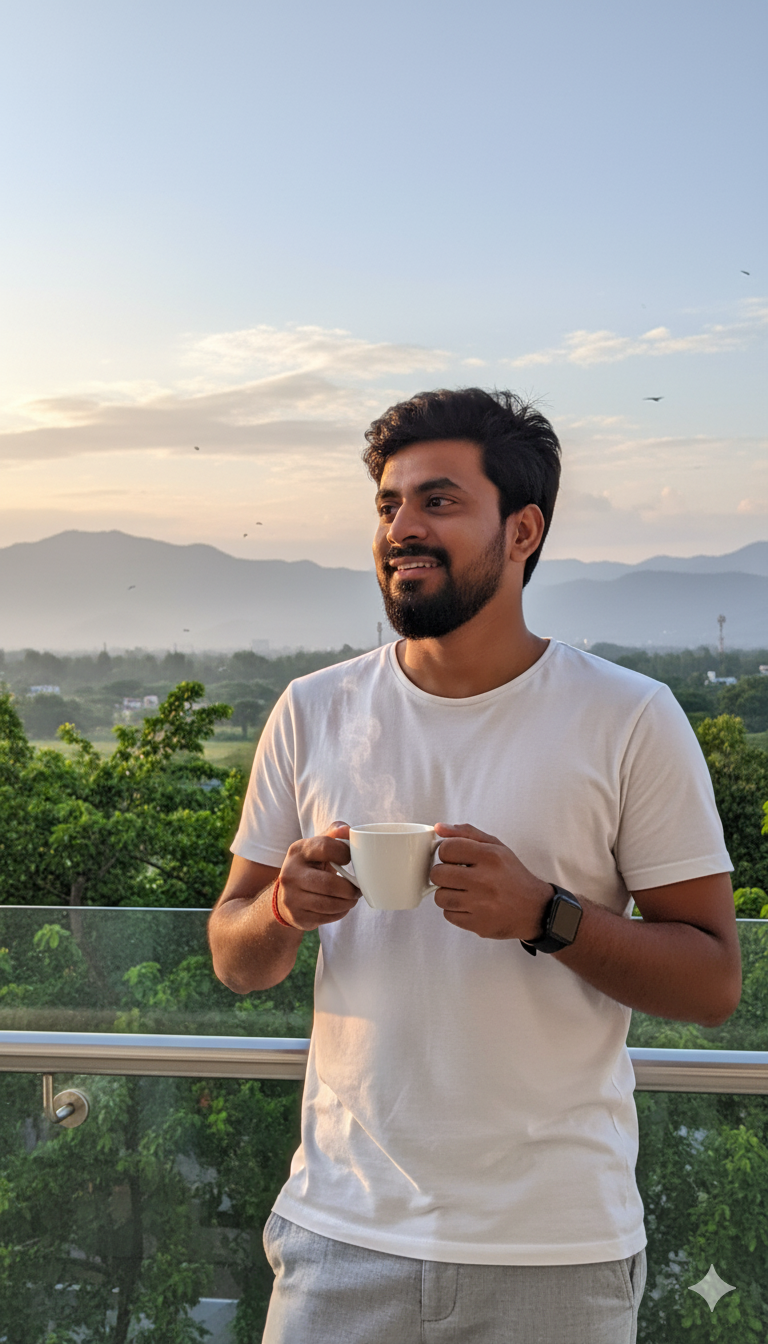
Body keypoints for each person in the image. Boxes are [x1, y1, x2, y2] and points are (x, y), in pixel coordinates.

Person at [208, 387, 740, 1344]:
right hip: (340, 1236)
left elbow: (711, 982)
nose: (401, 527)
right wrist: (283, 907)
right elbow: (233, 955)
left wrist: (546, 915)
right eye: (388, 504)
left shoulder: (629, 716)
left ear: (522, 529)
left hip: (556, 1250)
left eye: (438, 501)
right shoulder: (312, 709)